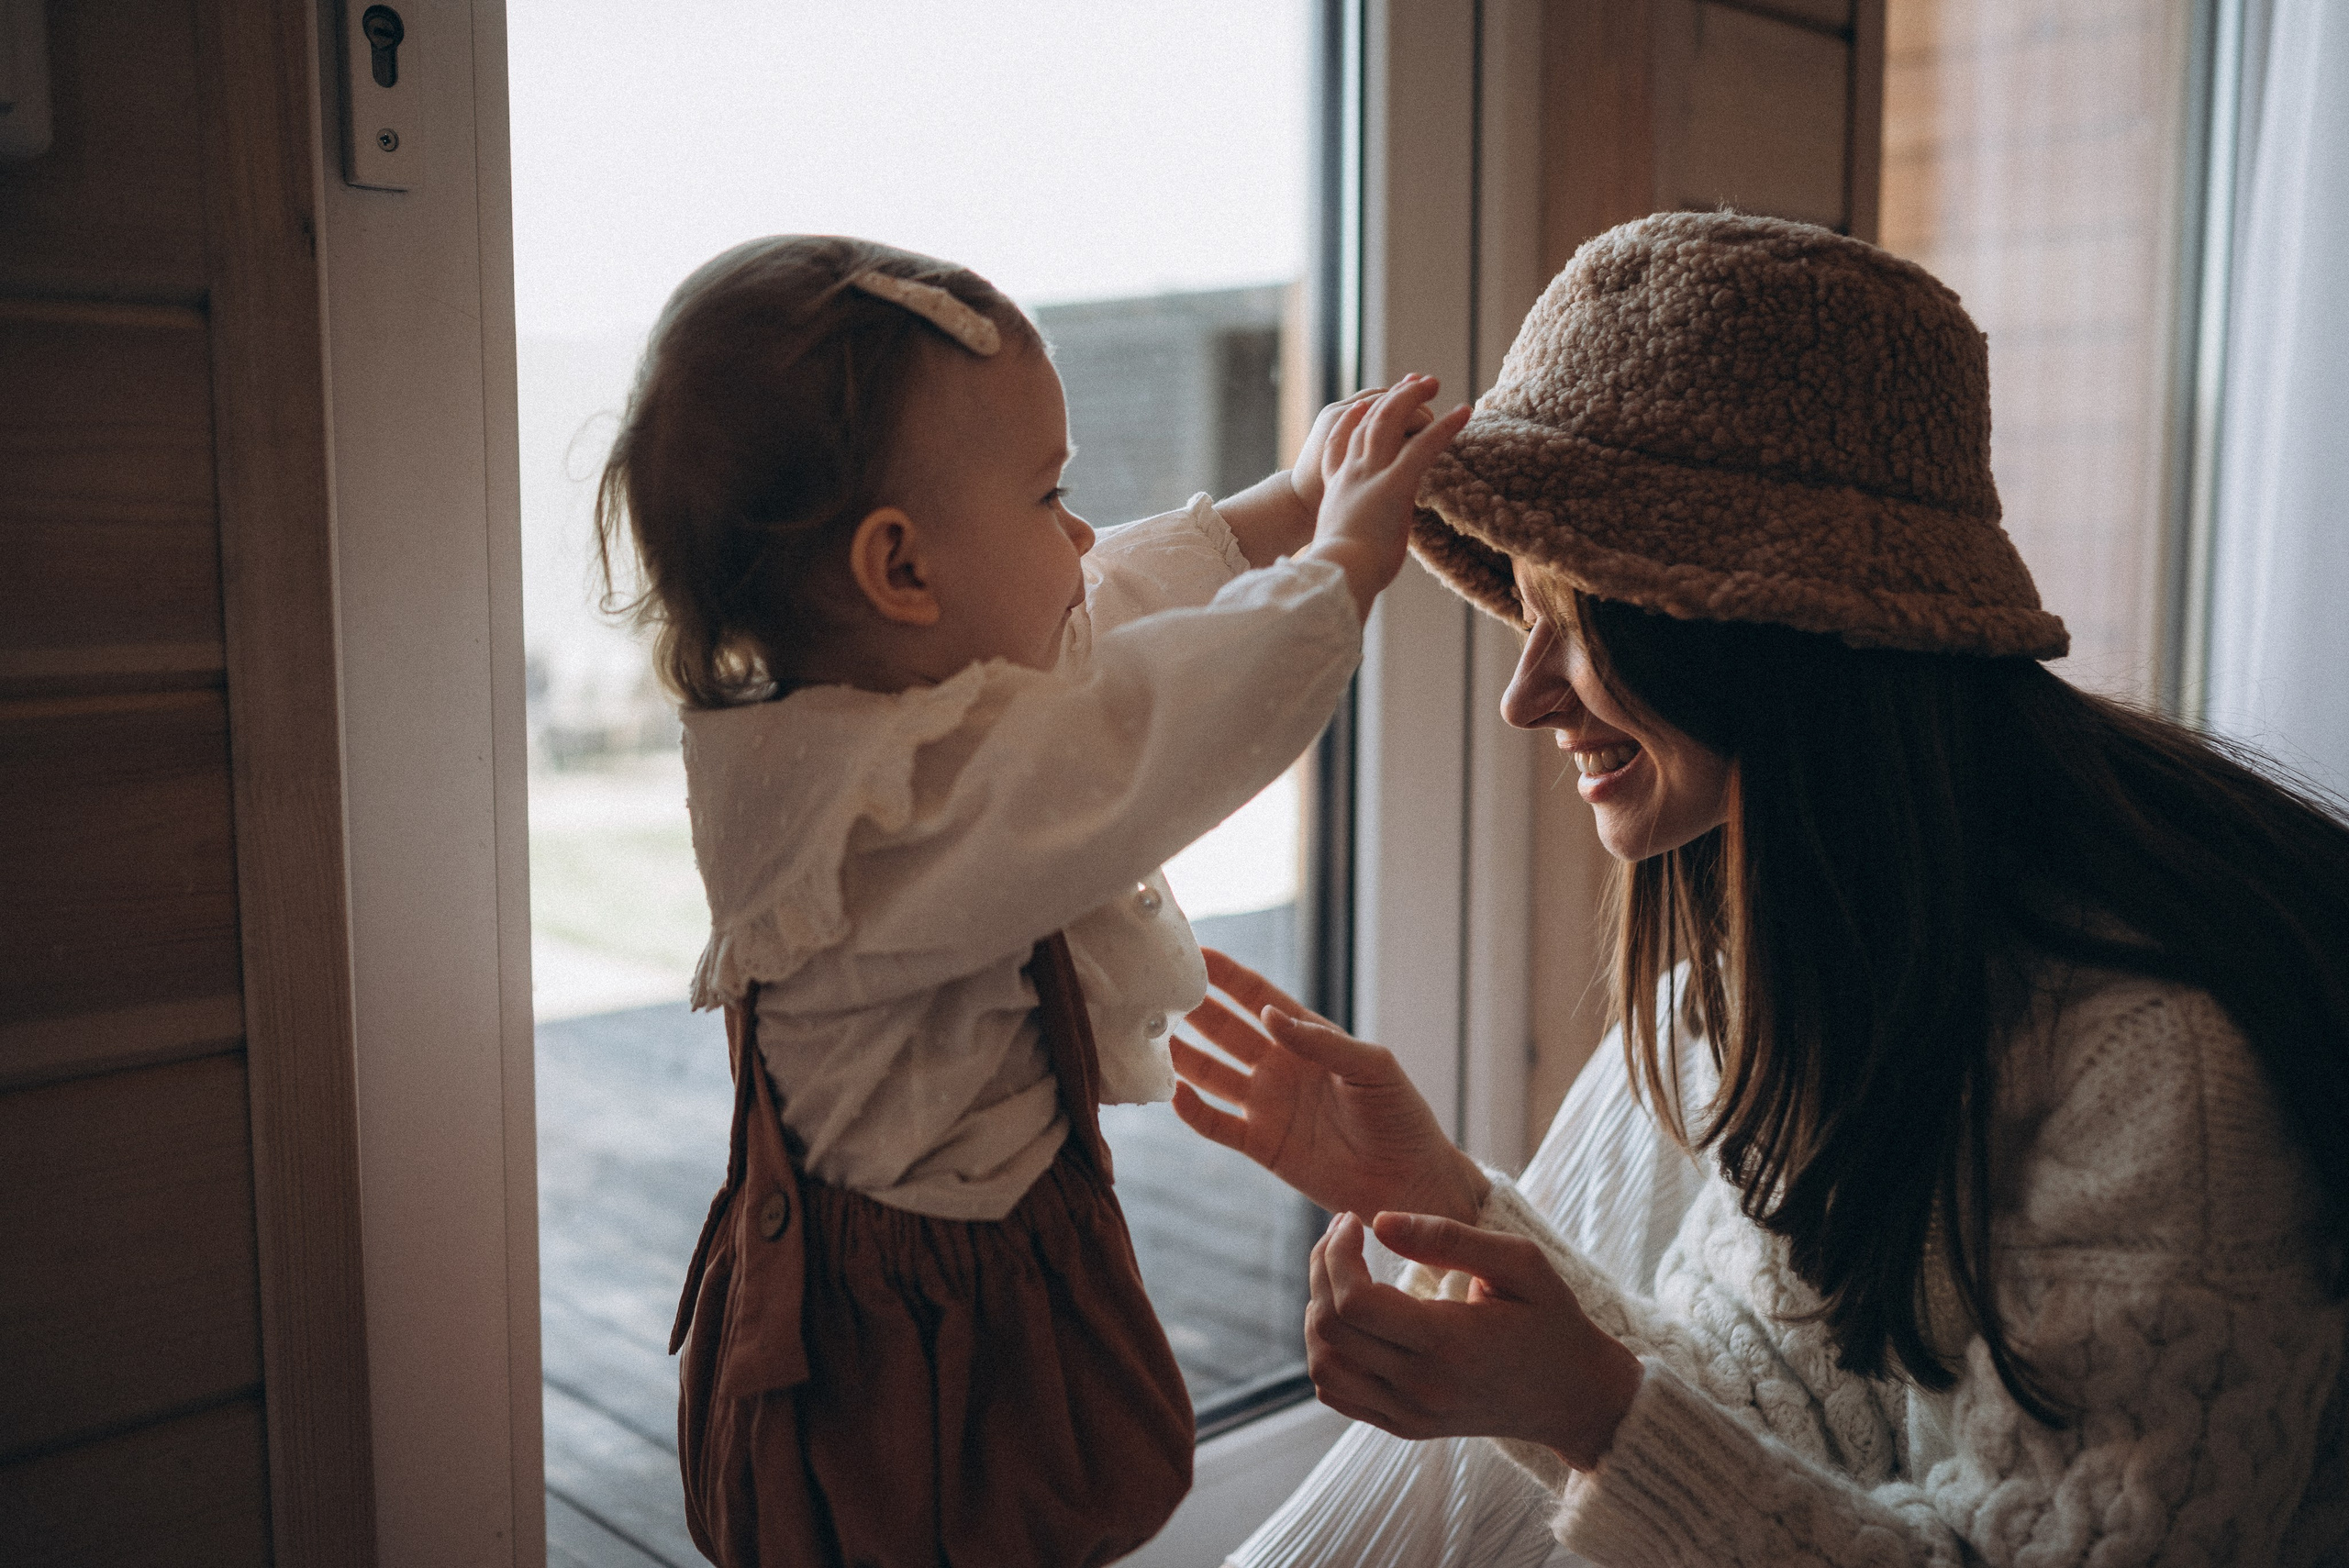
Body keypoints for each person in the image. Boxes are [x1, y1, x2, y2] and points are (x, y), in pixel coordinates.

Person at [1174, 210, 2349, 1566]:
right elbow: (1791, 1426)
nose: (1522, 692)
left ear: (1753, 635)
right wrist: (1442, 1196)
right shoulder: (1805, 960)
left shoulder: (2165, 1070)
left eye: (1578, 616)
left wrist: (1591, 1409)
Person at [595, 235, 1472, 1567]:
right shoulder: (897, 820)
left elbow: (1092, 608)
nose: (1079, 528)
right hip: (910, 1342)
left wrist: (1279, 507)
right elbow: (1135, 731)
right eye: (1051, 492)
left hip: (953, 1264)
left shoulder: (869, 718)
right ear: (900, 572)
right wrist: (1339, 564)